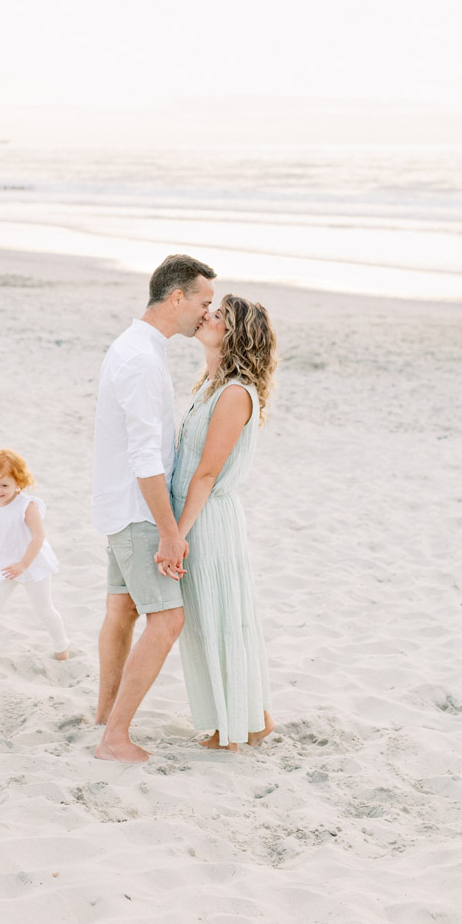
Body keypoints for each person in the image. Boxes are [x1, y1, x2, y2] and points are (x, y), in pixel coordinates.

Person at [92, 253, 217, 763]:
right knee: (166, 621)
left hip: (117, 504)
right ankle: (114, 737)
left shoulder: (135, 345)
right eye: (204, 302)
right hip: (138, 511)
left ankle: (104, 715)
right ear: (177, 297)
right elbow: (146, 458)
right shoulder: (142, 359)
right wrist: (169, 531)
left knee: (120, 611)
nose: (207, 314)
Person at [171, 295, 277, 750]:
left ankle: (230, 729)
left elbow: (208, 472)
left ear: (232, 334)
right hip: (197, 512)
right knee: (213, 617)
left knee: (218, 618)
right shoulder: (211, 384)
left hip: (208, 518)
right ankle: (252, 719)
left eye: (216, 316)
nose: (205, 317)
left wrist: (177, 533)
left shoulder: (235, 393)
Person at [0, 448, 69, 663]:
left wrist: (24, 564)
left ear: (19, 483)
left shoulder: (27, 505)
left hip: (33, 562)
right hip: (5, 564)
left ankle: (62, 646)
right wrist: (14, 563)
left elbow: (38, 536)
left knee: (44, 610)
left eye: (4, 486)